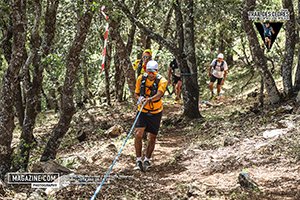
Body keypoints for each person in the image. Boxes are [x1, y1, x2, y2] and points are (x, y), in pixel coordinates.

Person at [134, 60, 168, 172]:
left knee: (152, 137)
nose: (151, 74)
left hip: (156, 112)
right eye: (149, 71)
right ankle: (138, 159)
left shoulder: (162, 81)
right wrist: (139, 99)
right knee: (138, 134)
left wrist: (149, 99)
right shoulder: (140, 79)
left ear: (157, 71)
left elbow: (159, 94)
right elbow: (137, 92)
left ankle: (147, 159)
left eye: (153, 72)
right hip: (142, 110)